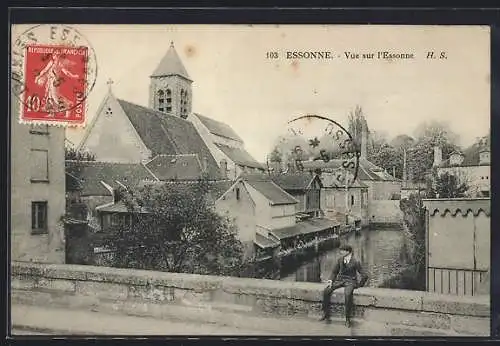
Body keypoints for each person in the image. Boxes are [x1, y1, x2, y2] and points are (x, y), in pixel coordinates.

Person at [320, 244, 368, 327]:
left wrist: (359, 285)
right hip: (340, 280)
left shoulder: (356, 261)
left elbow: (365, 275)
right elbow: (334, 272)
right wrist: (331, 280)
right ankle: (326, 314)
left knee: (348, 295)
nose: (340, 252)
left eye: (342, 251)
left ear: (348, 252)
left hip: (350, 281)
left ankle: (347, 319)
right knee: (326, 291)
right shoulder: (340, 260)